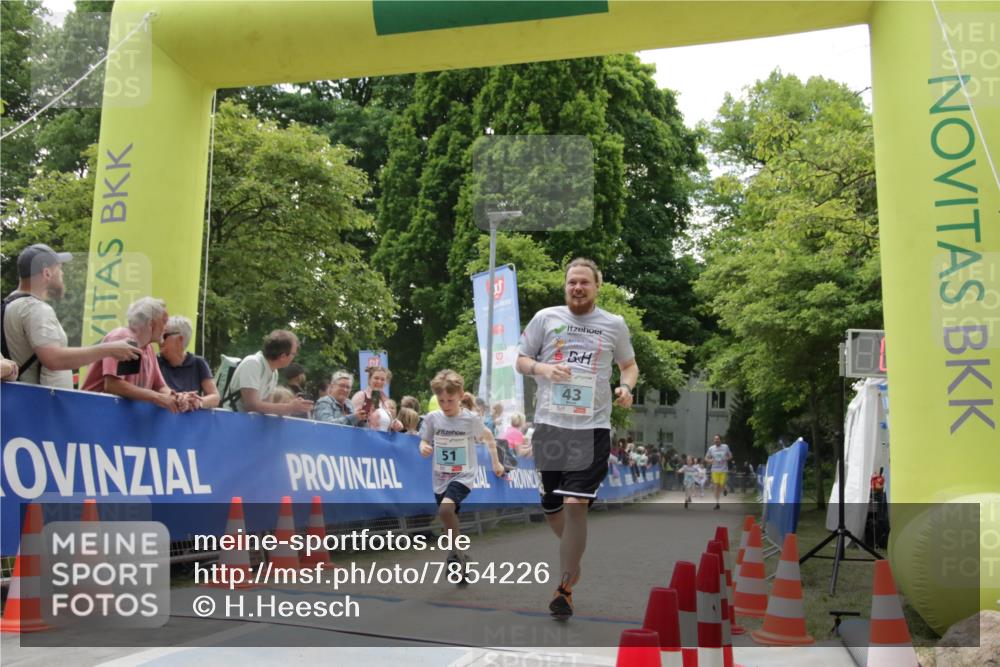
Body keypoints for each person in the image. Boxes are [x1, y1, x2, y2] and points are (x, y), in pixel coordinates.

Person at [515, 257, 638, 620]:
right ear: (565, 286)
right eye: (572, 283)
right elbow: (520, 359)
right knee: (553, 509)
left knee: (575, 504)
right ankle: (573, 558)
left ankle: (564, 587)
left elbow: (628, 365)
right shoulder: (546, 318)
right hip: (551, 425)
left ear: (597, 286)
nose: (577, 288)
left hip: (592, 427)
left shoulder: (613, 324)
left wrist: (626, 386)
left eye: (584, 282)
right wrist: (543, 368)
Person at [2, 243, 139, 388]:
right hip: (39, 405)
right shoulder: (35, 309)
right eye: (59, 269)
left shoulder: (9, 305)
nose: (62, 274)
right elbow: (53, 359)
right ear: (47, 273)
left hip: (19, 401)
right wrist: (109, 349)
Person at [419, 369, 505, 584]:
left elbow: (488, 437)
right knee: (449, 516)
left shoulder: (470, 419)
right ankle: (458, 556)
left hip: (464, 475)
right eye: (441, 401)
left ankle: (456, 553)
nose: (445, 405)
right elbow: (424, 440)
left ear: (460, 396)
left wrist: (496, 462)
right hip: (440, 477)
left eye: (450, 400)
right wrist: (424, 447)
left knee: (446, 510)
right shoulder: (432, 418)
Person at [81, 297, 195, 412]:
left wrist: (177, 398)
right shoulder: (126, 339)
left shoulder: (147, 348)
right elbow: (114, 386)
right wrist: (157, 397)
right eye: (164, 322)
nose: (165, 328)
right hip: (93, 413)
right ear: (151, 324)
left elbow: (160, 387)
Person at [227, 329, 313, 416]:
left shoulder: (274, 372)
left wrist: (294, 407)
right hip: (230, 421)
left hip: (247, 424)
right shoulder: (253, 363)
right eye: (293, 354)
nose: (294, 357)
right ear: (283, 356)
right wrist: (289, 407)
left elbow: (268, 407)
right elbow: (251, 405)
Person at [157, 315, 220, 408]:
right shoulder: (155, 361)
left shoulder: (199, 363)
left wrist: (197, 402)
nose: (159, 340)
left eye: (164, 335)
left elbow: (215, 397)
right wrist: (180, 399)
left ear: (180, 340)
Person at [351, 365, 402, 431]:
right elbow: (351, 421)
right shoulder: (361, 396)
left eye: (382, 379)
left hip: (383, 440)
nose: (379, 382)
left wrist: (395, 425)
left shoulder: (386, 402)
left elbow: (386, 427)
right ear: (369, 379)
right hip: (365, 439)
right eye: (376, 378)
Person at [705, 434, 733, 510]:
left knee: (722, 485)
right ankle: (717, 503)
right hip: (714, 470)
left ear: (720, 440)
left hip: (723, 469)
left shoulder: (725, 447)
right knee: (716, 486)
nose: (716, 440)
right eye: (715, 439)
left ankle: (724, 489)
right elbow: (706, 458)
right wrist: (710, 460)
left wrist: (726, 458)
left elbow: (730, 456)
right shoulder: (711, 448)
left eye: (717, 439)